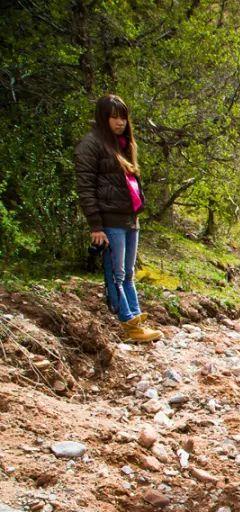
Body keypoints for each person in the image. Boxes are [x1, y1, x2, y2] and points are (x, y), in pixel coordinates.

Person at [74, 94, 162, 343]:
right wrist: (95, 226)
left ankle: (135, 316)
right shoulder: (91, 145)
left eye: (123, 116)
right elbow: (85, 188)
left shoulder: (123, 144)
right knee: (117, 273)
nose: (120, 121)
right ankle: (128, 323)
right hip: (110, 220)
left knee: (128, 273)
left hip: (129, 218)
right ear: (103, 118)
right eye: (114, 117)